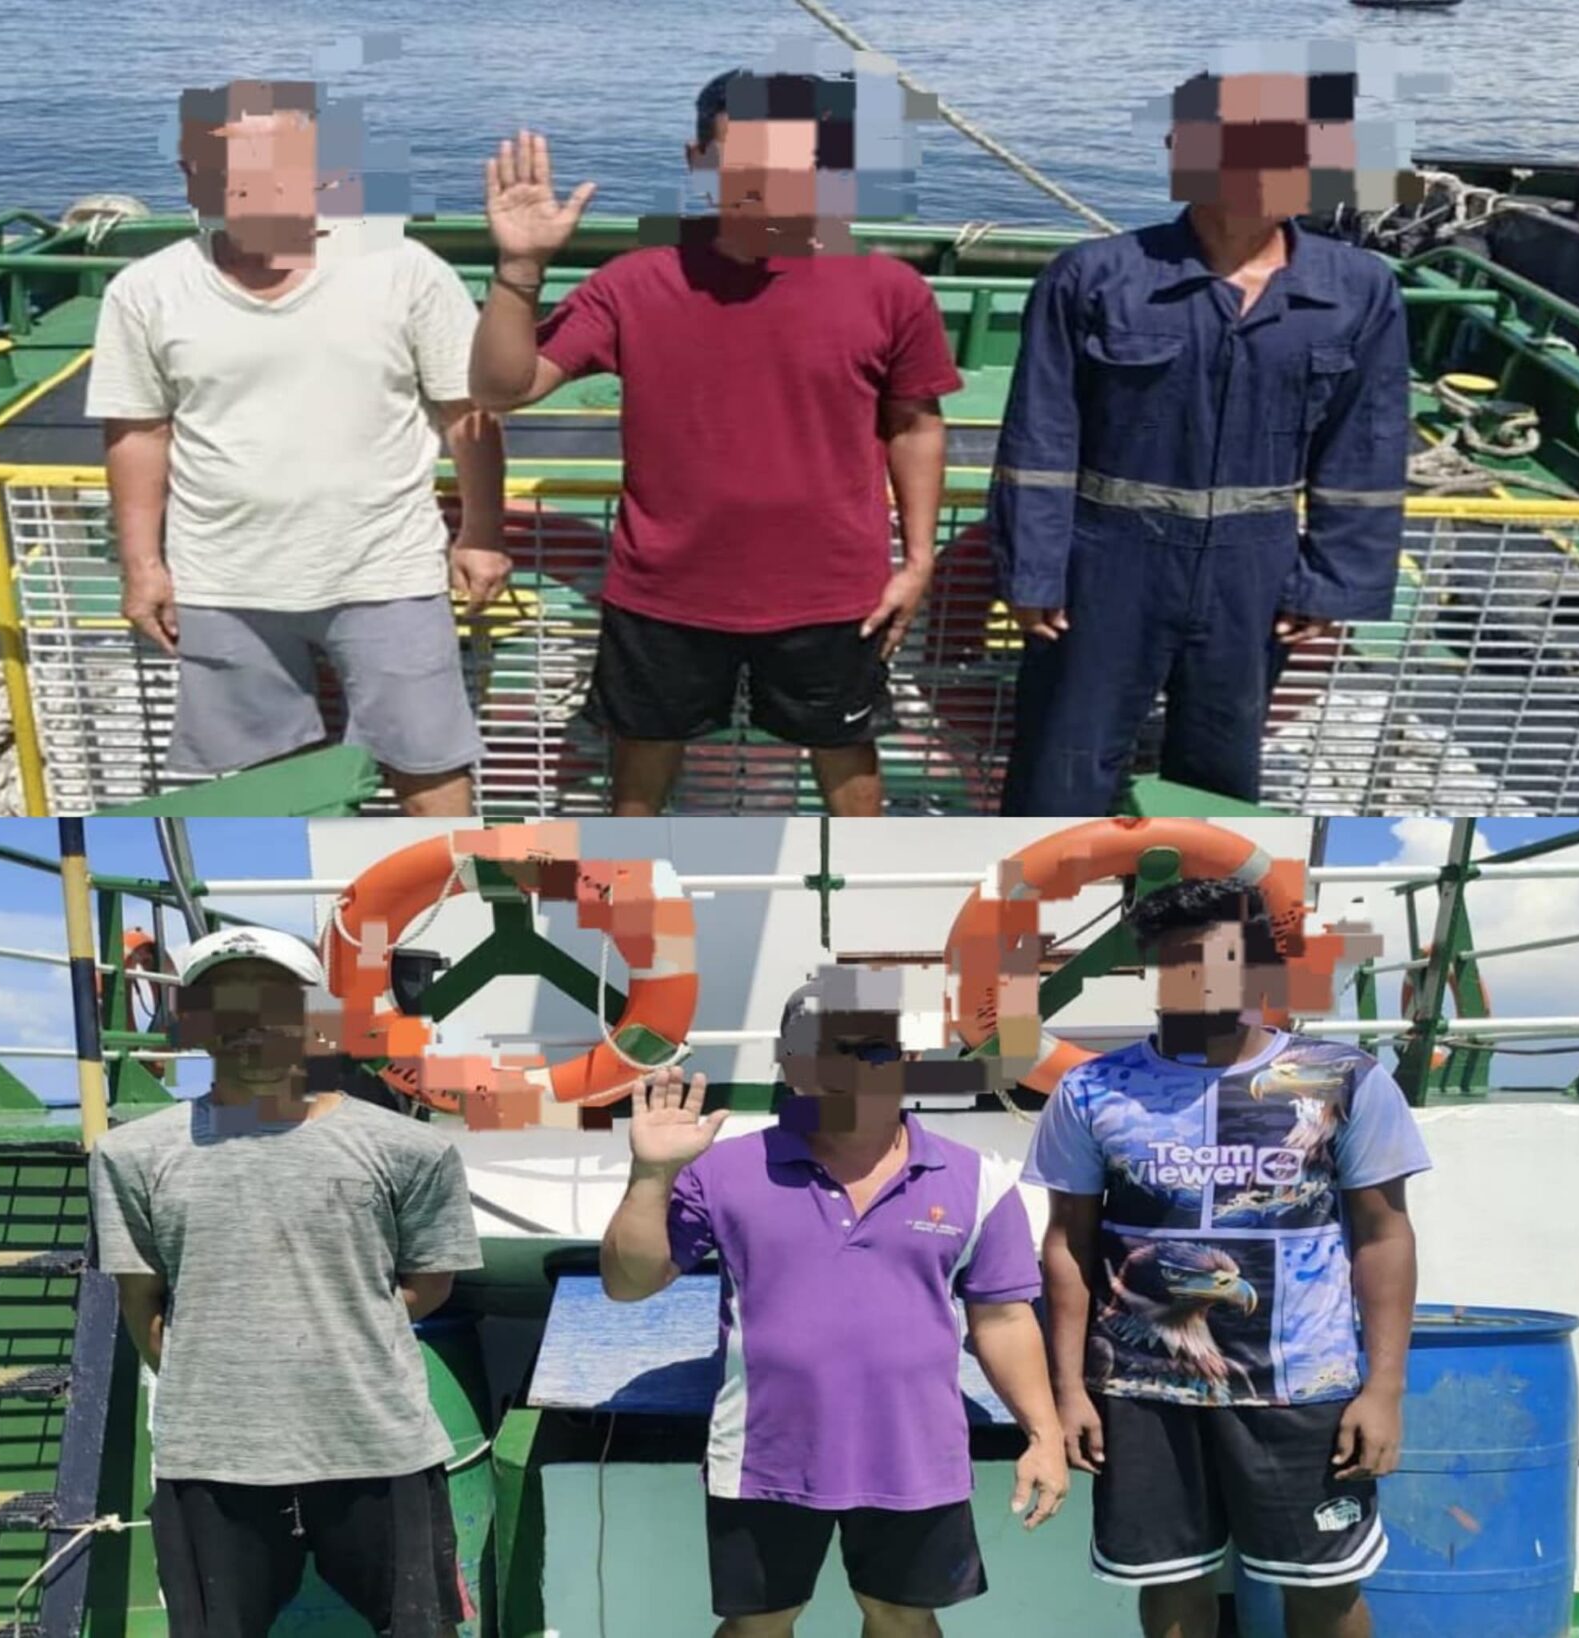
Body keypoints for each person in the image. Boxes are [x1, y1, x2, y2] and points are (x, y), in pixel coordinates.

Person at [468, 68, 961, 817]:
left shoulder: (889, 289)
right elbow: (504, 388)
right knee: (639, 771)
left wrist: (918, 561)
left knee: (849, 765)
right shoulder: (635, 281)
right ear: (700, 159)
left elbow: (915, 426)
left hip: (835, 594)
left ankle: (859, 891)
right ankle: (626, 891)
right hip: (662, 590)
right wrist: (520, 268)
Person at [991, 63, 1411, 815]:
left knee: (1221, 765)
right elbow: (1040, 438)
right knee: (1063, 756)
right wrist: (1034, 570)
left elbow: (1366, 445)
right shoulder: (1094, 278)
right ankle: (1042, 887)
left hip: (1257, 565)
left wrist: (1333, 580)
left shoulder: (1358, 289)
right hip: (1107, 559)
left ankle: (1200, 890)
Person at [599, 969, 1068, 1638]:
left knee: (903, 1620)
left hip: (917, 1454)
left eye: (874, 1051)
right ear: (792, 1066)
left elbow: (1004, 1318)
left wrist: (1044, 1436)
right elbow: (629, 1282)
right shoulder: (721, 1171)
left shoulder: (980, 1181)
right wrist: (651, 1174)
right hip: (764, 1457)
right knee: (759, 1625)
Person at [86, 78, 509, 817]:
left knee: (431, 773)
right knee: (272, 793)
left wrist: (481, 533)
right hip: (222, 581)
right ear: (191, 173)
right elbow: (138, 433)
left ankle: (460, 889)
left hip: (387, 572)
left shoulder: (405, 270)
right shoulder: (146, 290)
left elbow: (466, 413)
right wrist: (142, 565)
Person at [1022, 876, 1428, 1638]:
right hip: (1143, 1393)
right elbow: (1068, 1244)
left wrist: (1384, 1389)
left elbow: (1384, 1235)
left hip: (1302, 1388)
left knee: (1324, 1590)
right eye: (1180, 958)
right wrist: (1069, 1391)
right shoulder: (1090, 1091)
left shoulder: (1344, 1080)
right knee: (1172, 1586)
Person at [88, 924, 482, 1637]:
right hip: (212, 1461)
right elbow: (142, 1305)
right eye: (224, 1005)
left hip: (379, 1447)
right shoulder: (130, 1157)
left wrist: (333, 1340)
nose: (250, 1023)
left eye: (273, 1001)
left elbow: (430, 1284)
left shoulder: (411, 1150)